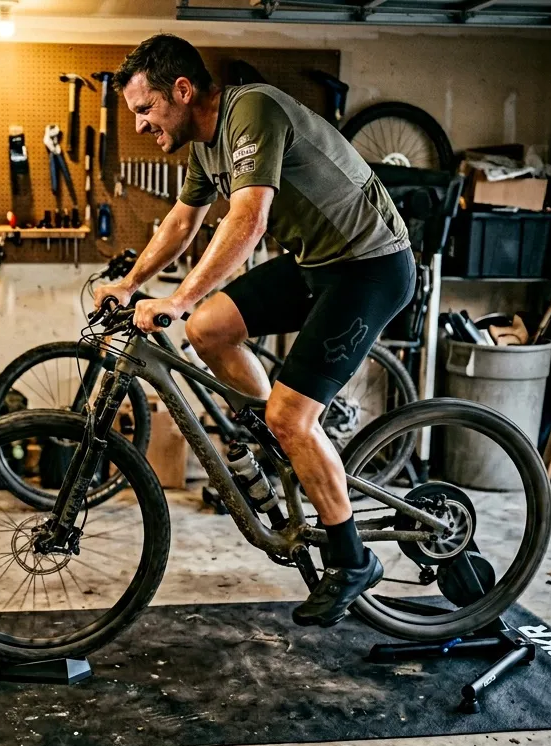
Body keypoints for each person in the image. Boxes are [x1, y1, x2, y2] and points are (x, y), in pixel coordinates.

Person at [94, 35, 416, 628]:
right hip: (317, 263)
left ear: (182, 91)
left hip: (370, 265)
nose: (139, 125)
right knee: (210, 328)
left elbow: (248, 219)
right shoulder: (203, 147)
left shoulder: (253, 111)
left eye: (144, 109)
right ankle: (280, 443)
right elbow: (181, 222)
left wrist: (178, 298)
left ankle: (351, 559)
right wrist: (132, 283)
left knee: (290, 415)